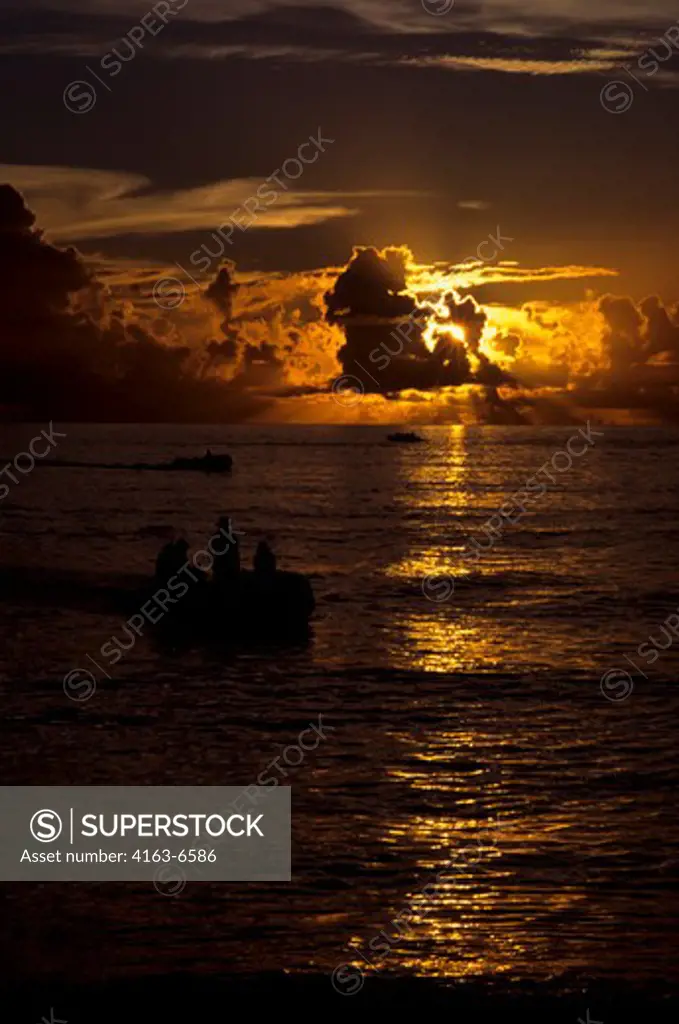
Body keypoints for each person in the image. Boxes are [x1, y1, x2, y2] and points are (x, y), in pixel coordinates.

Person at [212, 516, 241, 592]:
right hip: (231, 568)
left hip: (221, 568)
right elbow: (235, 554)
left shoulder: (216, 536)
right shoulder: (233, 537)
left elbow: (212, 551)